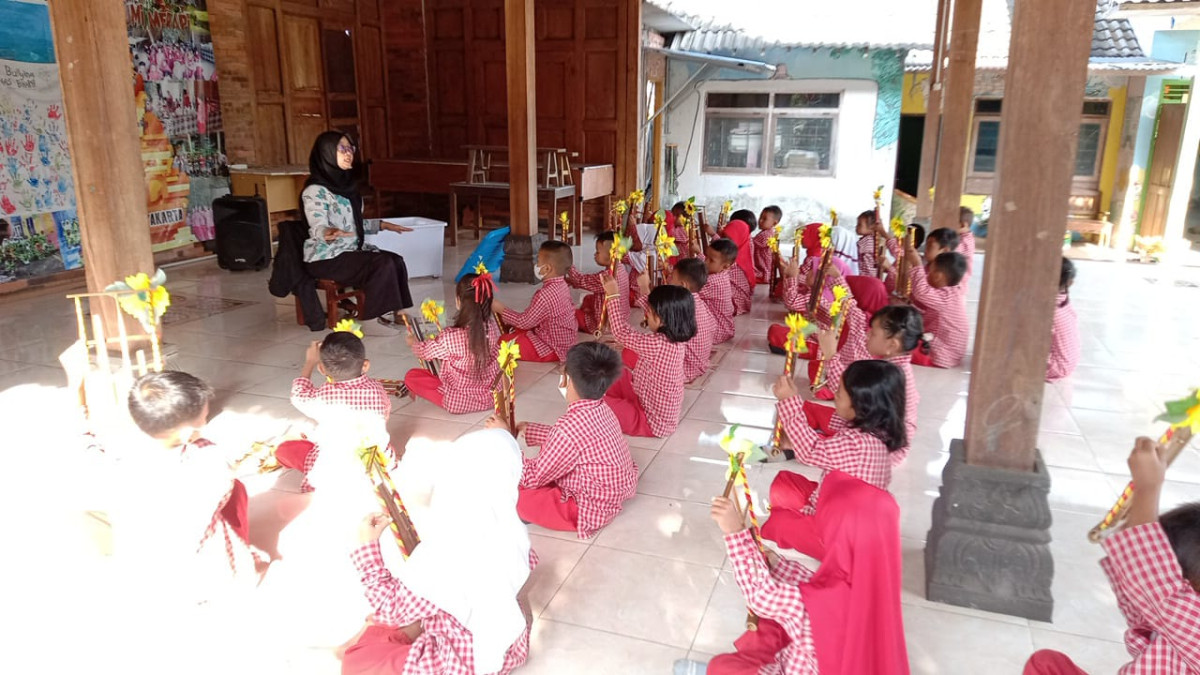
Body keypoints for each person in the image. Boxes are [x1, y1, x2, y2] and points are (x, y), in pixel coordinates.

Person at [342, 429, 538, 675]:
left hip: (457, 662)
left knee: (357, 661)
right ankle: (387, 632)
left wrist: (366, 546)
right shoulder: (512, 530)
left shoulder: (444, 551)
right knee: (420, 603)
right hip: (508, 649)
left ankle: (369, 639)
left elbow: (391, 609)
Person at [1023, 437, 1200, 674]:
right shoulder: (1169, 614)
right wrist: (1135, 509)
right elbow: (1137, 586)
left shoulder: (1192, 623)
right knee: (1046, 664)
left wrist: (1148, 487)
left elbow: (1148, 572)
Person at [704, 470, 909, 675]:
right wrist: (774, 563)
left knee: (721, 667)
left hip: (797, 668)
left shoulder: (823, 603)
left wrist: (735, 532)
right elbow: (809, 588)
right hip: (818, 658)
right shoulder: (876, 584)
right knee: (769, 626)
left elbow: (762, 596)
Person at [104, 371, 262, 604]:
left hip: (139, 564)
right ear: (187, 432)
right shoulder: (208, 459)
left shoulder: (121, 454)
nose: (205, 423)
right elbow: (225, 490)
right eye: (204, 418)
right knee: (237, 489)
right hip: (200, 566)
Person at [489, 342, 638, 539]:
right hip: (608, 495)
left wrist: (504, 439)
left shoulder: (569, 427)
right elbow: (578, 443)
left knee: (509, 492)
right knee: (528, 480)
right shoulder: (602, 407)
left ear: (567, 381)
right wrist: (532, 431)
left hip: (586, 509)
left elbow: (532, 476)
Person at [762, 360, 907, 558]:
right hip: (834, 507)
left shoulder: (859, 445)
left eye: (838, 394)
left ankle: (807, 531)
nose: (835, 396)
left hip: (841, 538)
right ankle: (802, 517)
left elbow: (810, 450)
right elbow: (838, 413)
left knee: (778, 524)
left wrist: (789, 402)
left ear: (859, 405)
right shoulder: (876, 424)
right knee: (783, 484)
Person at [300, 131, 413, 325]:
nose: (348, 153)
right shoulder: (315, 191)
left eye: (350, 148)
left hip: (348, 252)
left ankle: (398, 312)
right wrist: (327, 232)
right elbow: (317, 225)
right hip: (326, 257)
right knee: (381, 263)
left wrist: (383, 225)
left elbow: (354, 225)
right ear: (326, 153)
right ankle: (376, 316)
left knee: (396, 260)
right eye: (341, 149)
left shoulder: (348, 189)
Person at [806, 282, 923, 466]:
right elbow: (857, 319)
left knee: (805, 427)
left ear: (892, 345)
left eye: (873, 334)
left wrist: (830, 355)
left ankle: (809, 444)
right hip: (874, 431)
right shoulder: (891, 364)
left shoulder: (890, 374)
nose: (867, 336)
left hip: (879, 447)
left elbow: (848, 392)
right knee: (807, 409)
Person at [286, 332, 395, 492]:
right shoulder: (377, 387)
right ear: (365, 365)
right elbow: (385, 413)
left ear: (322, 369)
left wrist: (309, 362)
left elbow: (298, 395)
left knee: (285, 449)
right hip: (378, 463)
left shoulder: (324, 396)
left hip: (337, 469)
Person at [600, 274, 695, 437]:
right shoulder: (676, 333)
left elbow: (621, 332)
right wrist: (644, 287)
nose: (646, 315)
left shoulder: (657, 344)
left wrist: (613, 295)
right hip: (644, 399)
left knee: (598, 406)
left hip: (650, 422)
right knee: (615, 373)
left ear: (660, 319)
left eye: (649, 314)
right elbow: (656, 313)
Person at [404, 273, 500, 413]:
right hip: (491, 398)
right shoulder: (493, 328)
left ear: (458, 301)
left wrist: (414, 343)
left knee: (412, 375)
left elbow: (424, 352)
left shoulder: (450, 337)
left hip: (458, 402)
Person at [884, 246, 969, 369]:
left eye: (930, 271)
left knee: (891, 343)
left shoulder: (948, 297)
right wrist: (906, 304)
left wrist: (917, 263)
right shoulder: (952, 293)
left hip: (940, 354)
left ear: (938, 276)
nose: (927, 274)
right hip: (947, 351)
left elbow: (921, 291)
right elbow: (926, 312)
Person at [493, 240, 578, 363]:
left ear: (547, 268)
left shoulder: (545, 295)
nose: (535, 265)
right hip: (565, 342)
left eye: (538, 261)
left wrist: (500, 308)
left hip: (551, 348)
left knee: (502, 342)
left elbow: (524, 322)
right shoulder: (563, 284)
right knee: (517, 331)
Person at [567, 231, 629, 334]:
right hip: (622, 318)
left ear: (611, 255)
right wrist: (572, 282)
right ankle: (588, 311)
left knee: (570, 313)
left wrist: (567, 264)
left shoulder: (607, 277)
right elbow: (587, 282)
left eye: (598, 252)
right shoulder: (621, 269)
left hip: (604, 324)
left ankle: (587, 318)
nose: (595, 254)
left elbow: (579, 279)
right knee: (588, 299)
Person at [673, 258, 717, 382]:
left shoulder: (681, 307)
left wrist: (644, 287)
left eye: (672, 278)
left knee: (633, 354)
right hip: (700, 363)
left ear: (683, 285)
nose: (669, 281)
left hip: (684, 369)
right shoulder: (699, 301)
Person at [1046, 257, 1080, 382]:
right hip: (1068, 364)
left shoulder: (1047, 310)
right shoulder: (1063, 301)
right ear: (1070, 283)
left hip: (1055, 367)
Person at [717, 210, 757, 315]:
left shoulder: (733, 260)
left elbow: (714, 266)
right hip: (741, 301)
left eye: (728, 239)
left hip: (735, 303)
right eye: (724, 237)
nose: (725, 242)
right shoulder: (741, 247)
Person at [699, 240, 737, 344]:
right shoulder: (722, 272)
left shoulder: (713, 282)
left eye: (711, 260)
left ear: (726, 266)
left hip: (717, 331)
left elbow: (689, 289)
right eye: (706, 257)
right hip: (725, 329)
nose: (705, 262)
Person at [753, 205, 783, 283]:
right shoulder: (768, 233)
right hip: (766, 273)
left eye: (764, 219)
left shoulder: (766, 235)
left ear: (774, 223)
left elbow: (750, 244)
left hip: (762, 273)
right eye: (760, 217)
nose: (760, 220)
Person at [856, 210, 881, 278]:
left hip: (864, 275)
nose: (856, 227)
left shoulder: (867, 241)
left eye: (859, 224)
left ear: (871, 228)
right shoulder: (871, 240)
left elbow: (854, 250)